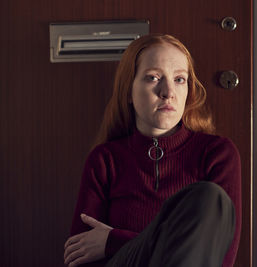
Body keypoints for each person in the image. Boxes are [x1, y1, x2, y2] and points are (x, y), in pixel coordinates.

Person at [63, 34, 242, 267]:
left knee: (209, 196)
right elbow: (79, 254)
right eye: (153, 77)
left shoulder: (218, 154)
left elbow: (220, 257)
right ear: (128, 91)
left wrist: (113, 240)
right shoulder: (105, 159)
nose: (168, 91)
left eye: (179, 79)